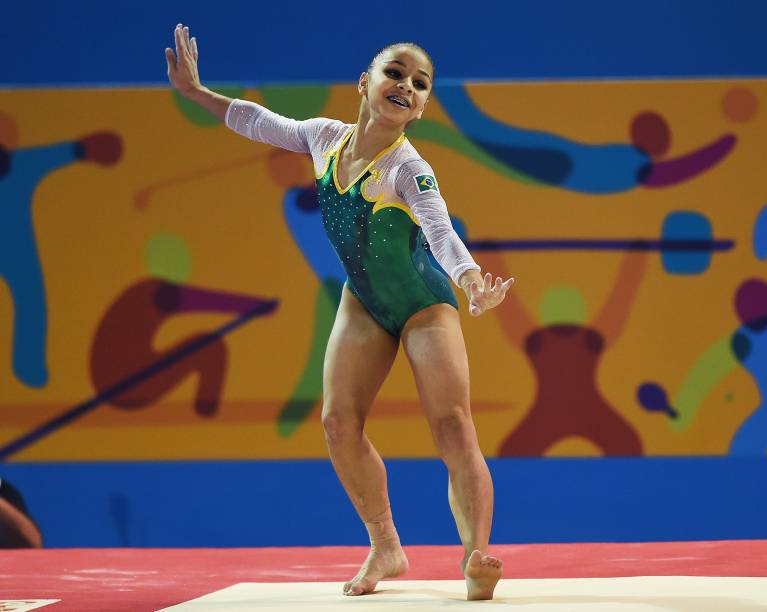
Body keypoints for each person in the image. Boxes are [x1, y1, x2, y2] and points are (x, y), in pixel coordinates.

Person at [166, 24, 513, 600]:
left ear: (423, 107)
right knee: (337, 424)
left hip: (424, 304)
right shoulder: (325, 138)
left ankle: (476, 554)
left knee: (452, 425)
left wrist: (472, 283)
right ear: (365, 82)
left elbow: (440, 230)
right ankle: (385, 546)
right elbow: (259, 121)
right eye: (395, 73)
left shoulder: (410, 169)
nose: (406, 86)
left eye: (420, 84)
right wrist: (197, 92)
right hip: (364, 302)